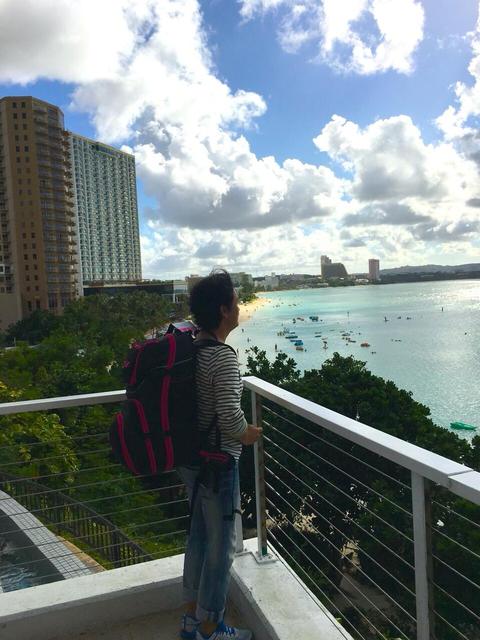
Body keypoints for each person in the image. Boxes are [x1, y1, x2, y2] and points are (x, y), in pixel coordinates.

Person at [178, 269, 262, 640]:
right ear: (224, 310)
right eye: (236, 302)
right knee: (221, 547)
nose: (240, 308)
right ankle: (211, 627)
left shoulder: (192, 348)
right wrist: (248, 434)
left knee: (198, 537)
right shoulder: (223, 357)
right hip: (218, 463)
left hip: (191, 460)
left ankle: (190, 620)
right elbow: (229, 417)